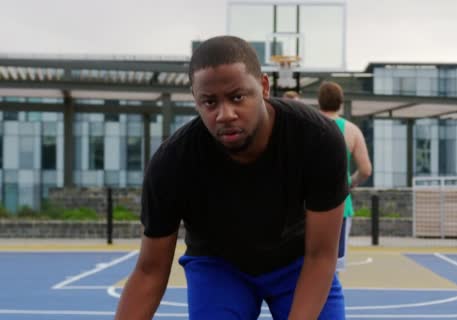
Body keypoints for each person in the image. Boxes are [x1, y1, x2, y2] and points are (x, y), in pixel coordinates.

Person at [115, 36, 348, 320]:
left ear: (263, 86)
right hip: (219, 266)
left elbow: (322, 256)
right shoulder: (172, 163)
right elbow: (150, 271)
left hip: (298, 261)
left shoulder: (317, 139)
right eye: (209, 102)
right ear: (195, 99)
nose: (224, 114)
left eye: (237, 97)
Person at [317, 81, 372, 272]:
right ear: (341, 103)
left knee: (303, 265)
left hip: (306, 203)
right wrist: (350, 183)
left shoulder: (307, 125)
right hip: (339, 204)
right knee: (333, 267)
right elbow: (365, 169)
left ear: (319, 102)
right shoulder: (351, 130)